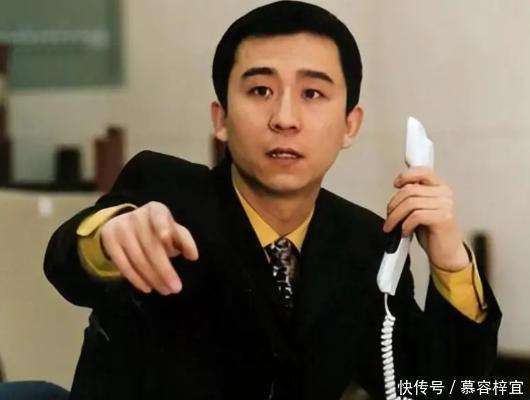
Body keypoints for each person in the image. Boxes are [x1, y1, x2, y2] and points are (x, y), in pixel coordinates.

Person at [44, 1, 501, 399]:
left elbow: (433, 386)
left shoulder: (364, 243)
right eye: (260, 90)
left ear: (350, 125)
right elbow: (68, 265)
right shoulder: (163, 193)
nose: (284, 118)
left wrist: (450, 263)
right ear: (221, 119)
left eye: (312, 93)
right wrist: (109, 239)